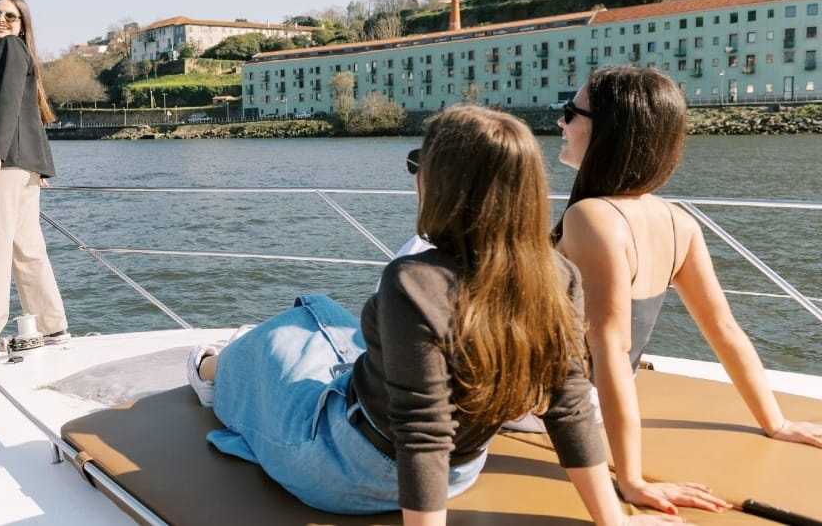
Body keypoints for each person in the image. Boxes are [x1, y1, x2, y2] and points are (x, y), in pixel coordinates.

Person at [187, 105, 680, 525]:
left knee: (272, 345)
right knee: (320, 315)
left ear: (443, 183)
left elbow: (422, 431)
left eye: (419, 163)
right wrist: (612, 517)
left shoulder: (412, 281)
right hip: (460, 474)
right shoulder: (558, 276)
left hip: (347, 469)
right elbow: (568, 404)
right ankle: (242, 360)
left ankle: (209, 370)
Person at [554, 65, 822, 515]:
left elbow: (610, 348)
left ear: (609, 132)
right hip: (591, 402)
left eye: (570, 112)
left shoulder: (592, 218)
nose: (561, 123)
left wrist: (632, 480)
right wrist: (774, 422)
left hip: (554, 405)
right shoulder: (678, 221)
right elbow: (724, 329)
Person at [0, 0, 69, 360]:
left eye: (11, 15)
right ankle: (52, 325)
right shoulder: (18, 53)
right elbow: (30, 112)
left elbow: (8, 104)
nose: (1, 20)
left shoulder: (9, 49)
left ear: (23, 23)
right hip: (20, 165)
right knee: (27, 249)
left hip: (3, 164)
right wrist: (38, 166)